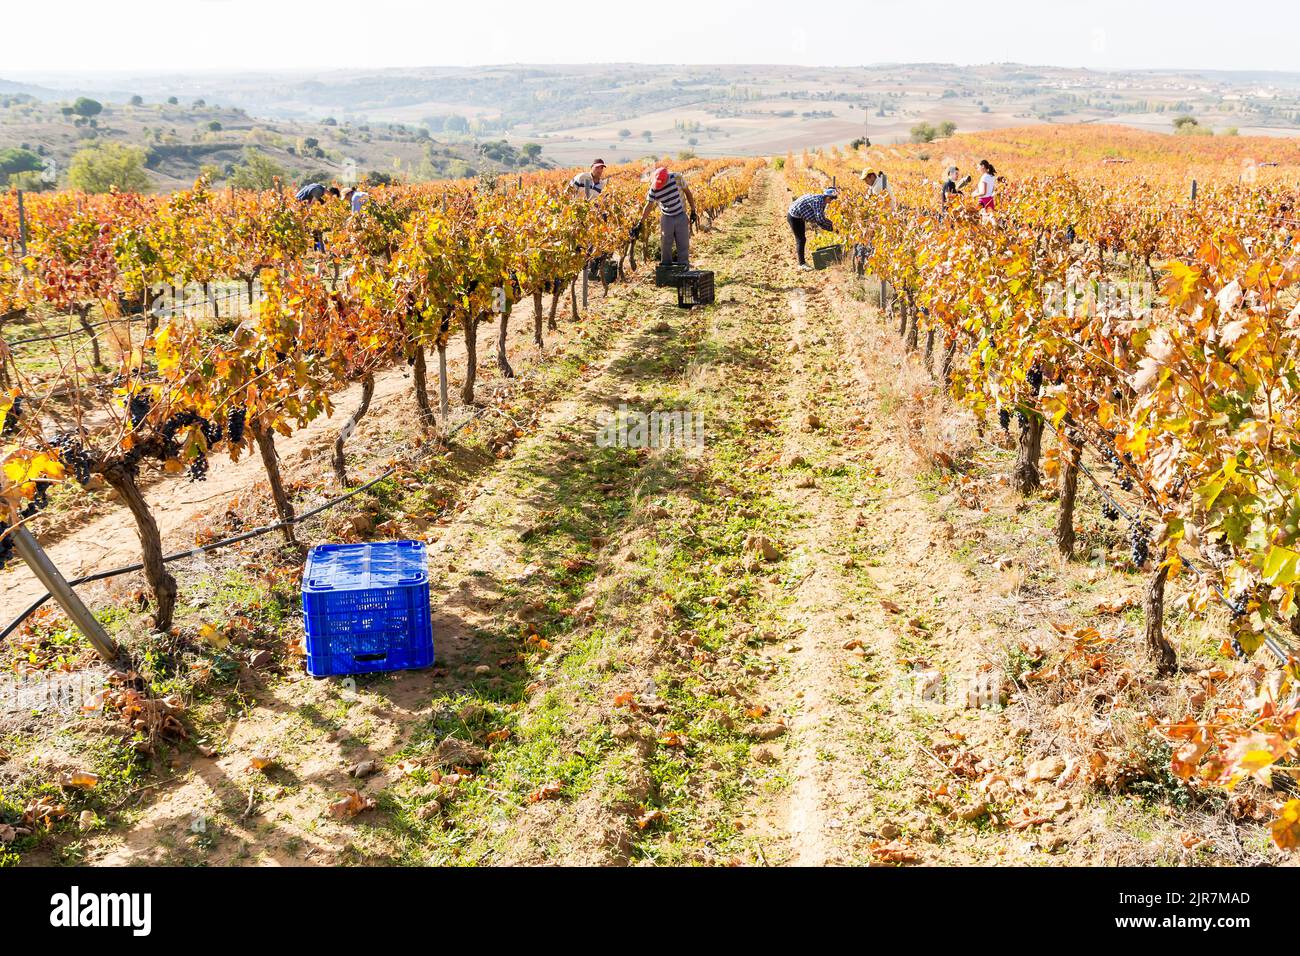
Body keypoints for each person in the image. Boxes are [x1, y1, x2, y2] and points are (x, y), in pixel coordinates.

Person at [635, 166, 699, 268]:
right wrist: (640, 222)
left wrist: (693, 210)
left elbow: (688, 193)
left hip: (680, 214)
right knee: (666, 244)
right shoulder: (654, 187)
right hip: (666, 216)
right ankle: (666, 269)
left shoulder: (677, 178)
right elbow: (649, 205)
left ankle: (684, 269)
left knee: (683, 244)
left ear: (667, 178)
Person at [787, 186, 838, 271]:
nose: (830, 202)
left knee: (802, 239)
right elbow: (820, 219)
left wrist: (830, 227)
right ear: (828, 197)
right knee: (801, 239)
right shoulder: (818, 201)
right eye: (831, 200)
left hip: (799, 216)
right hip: (794, 217)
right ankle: (801, 264)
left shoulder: (822, 200)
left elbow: (819, 219)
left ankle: (802, 263)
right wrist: (832, 227)